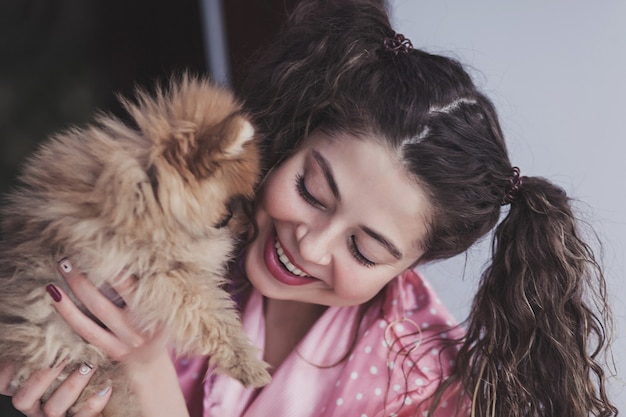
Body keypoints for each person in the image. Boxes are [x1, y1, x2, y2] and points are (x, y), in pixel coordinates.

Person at [0, 0, 617, 416]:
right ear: (294, 138)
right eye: (311, 192)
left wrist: (150, 377)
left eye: (364, 249)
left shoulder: (423, 388)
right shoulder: (178, 216)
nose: (309, 245)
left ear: (412, 266)